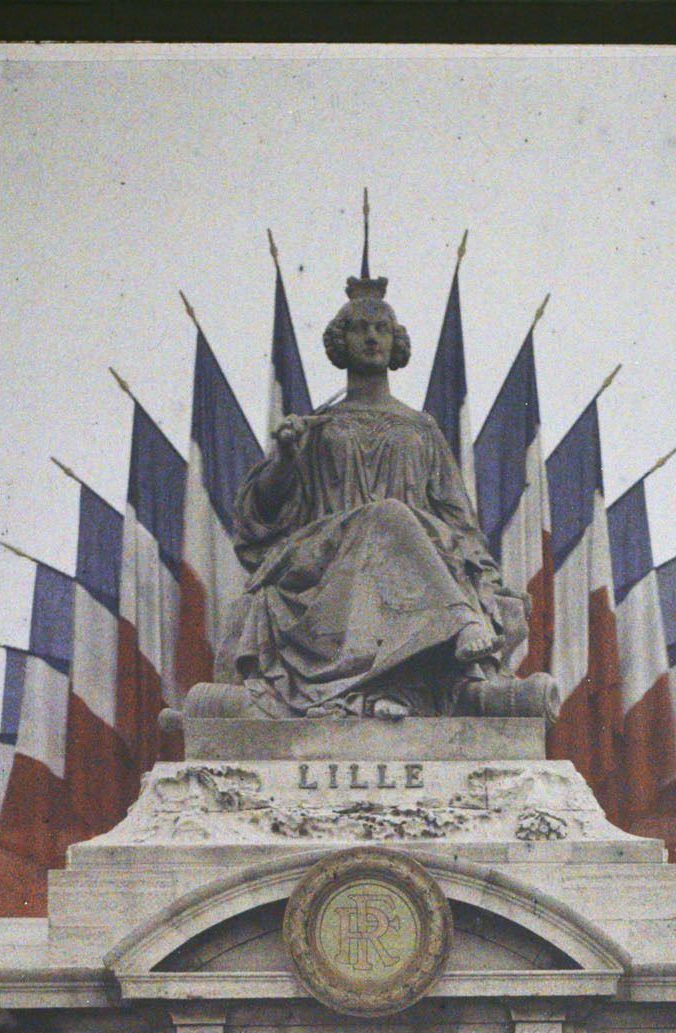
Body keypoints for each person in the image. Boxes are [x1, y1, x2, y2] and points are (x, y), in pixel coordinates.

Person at [209, 277, 549, 720]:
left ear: (395, 343)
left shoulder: (420, 429)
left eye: (382, 329)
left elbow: (458, 519)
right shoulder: (318, 427)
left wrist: (487, 579)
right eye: (360, 328)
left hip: (410, 573)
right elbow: (262, 515)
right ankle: (458, 620)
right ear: (341, 341)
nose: (371, 337)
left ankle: (390, 689)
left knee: (394, 520)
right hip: (326, 561)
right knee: (386, 515)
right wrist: (285, 458)